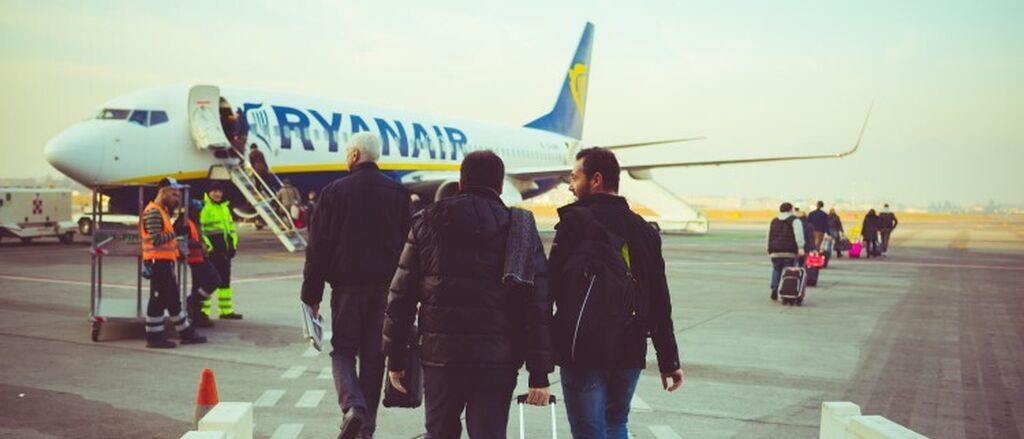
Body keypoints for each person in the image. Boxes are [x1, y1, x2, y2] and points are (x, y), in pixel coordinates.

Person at [383, 150, 553, 439]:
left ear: (461, 182)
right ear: (500, 186)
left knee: (439, 433)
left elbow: (401, 298)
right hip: (497, 360)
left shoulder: (426, 221)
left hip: (441, 358)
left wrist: (396, 358)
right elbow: (536, 306)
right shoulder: (520, 227)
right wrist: (539, 373)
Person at [547, 147, 682, 438]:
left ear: (595, 180)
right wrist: (669, 359)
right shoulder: (644, 231)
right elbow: (659, 298)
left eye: (574, 177)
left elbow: (549, 288)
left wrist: (539, 354)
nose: (571, 186)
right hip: (630, 349)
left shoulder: (573, 223)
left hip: (582, 349)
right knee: (616, 423)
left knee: (588, 431)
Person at [301, 133, 412, 439]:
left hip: (347, 290)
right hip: (386, 292)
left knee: (343, 352)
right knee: (374, 359)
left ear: (353, 156)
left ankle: (353, 408)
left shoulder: (333, 192)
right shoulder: (398, 194)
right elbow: (410, 248)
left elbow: (317, 249)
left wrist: (311, 296)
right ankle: (367, 429)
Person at [139, 177, 207, 348]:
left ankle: (155, 337)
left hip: (162, 262)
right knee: (171, 300)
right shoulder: (153, 212)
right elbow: (156, 239)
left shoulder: (161, 211)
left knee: (159, 301)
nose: (177, 199)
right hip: (158, 262)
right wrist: (176, 232)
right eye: (174, 195)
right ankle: (185, 334)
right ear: (163, 192)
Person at [174, 198, 221, 329]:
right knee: (214, 280)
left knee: (198, 285)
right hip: (194, 258)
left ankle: (195, 313)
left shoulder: (192, 221)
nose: (200, 213)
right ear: (191, 210)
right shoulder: (183, 223)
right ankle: (191, 301)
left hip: (199, 256)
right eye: (197, 210)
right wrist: (199, 245)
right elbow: (180, 241)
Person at [201, 182, 243, 320]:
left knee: (225, 283)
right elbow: (201, 231)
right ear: (209, 193)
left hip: (225, 254)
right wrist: (209, 248)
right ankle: (203, 312)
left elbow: (231, 230)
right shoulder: (205, 208)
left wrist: (233, 246)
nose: (217, 194)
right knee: (208, 282)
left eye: (219, 191)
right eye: (214, 191)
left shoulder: (225, 208)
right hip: (212, 254)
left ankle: (226, 311)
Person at [767, 202, 806, 300]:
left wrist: (769, 249)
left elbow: (769, 236)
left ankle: (774, 289)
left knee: (776, 269)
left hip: (775, 251)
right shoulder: (795, 221)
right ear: (790, 210)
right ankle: (786, 290)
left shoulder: (774, 221)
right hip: (789, 251)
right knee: (788, 272)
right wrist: (801, 247)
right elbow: (799, 235)